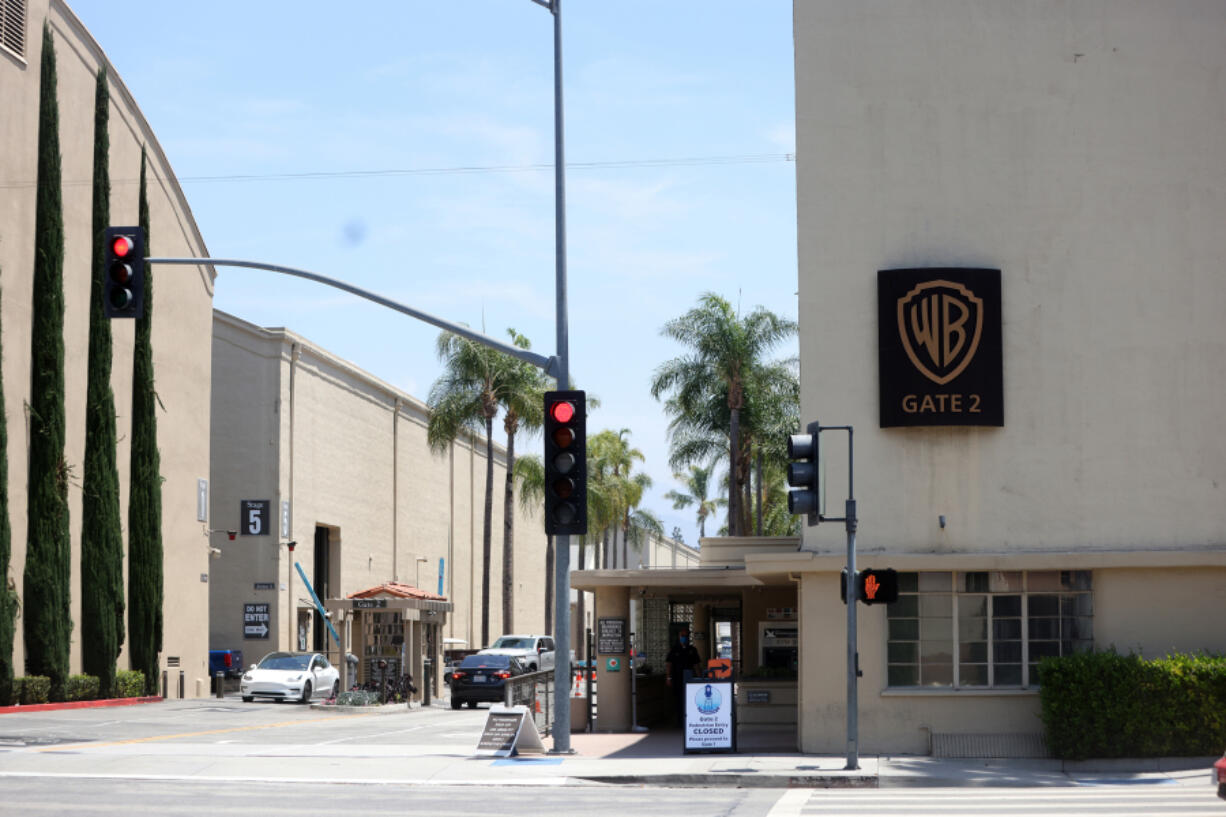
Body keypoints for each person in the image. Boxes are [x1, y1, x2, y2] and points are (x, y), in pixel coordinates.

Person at [664, 627, 701, 726]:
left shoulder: (692, 650)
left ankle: (690, 721)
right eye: (682, 636)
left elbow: (696, 665)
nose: (684, 638)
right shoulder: (674, 649)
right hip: (677, 679)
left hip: (690, 680)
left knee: (691, 701)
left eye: (686, 636)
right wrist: (668, 677)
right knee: (679, 701)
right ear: (679, 637)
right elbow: (669, 664)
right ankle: (680, 722)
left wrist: (700, 679)